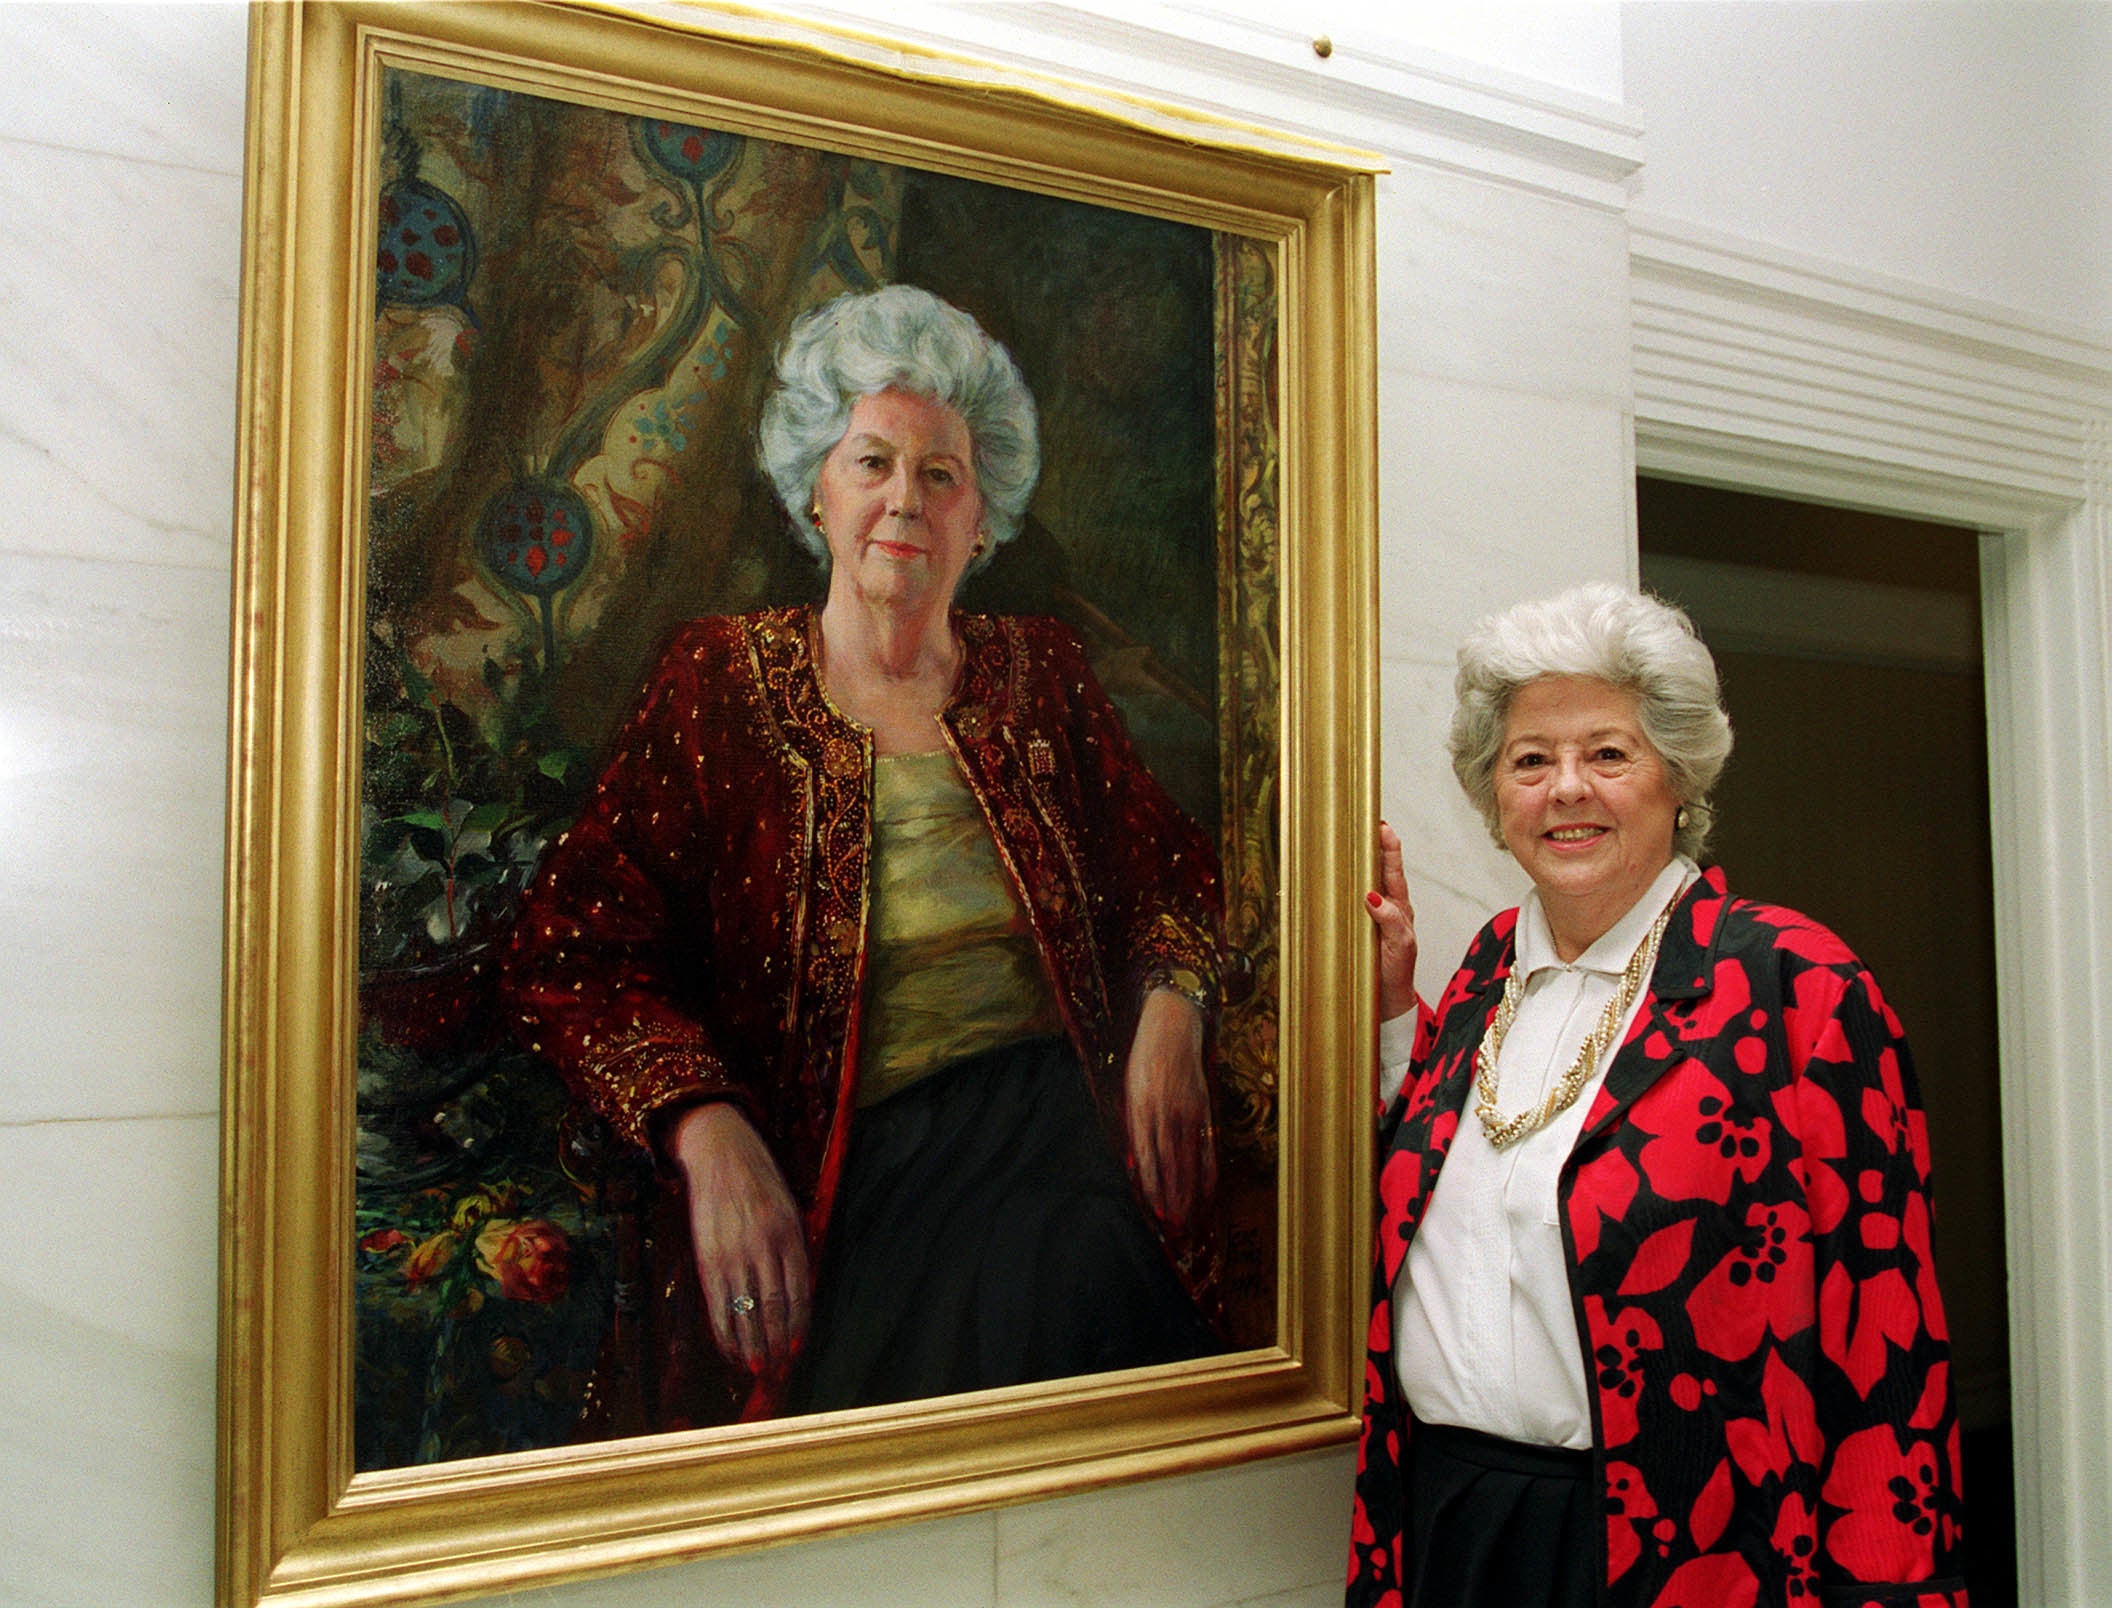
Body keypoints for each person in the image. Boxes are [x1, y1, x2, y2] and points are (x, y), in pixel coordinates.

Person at [503, 284, 1223, 1432]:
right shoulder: (719, 682)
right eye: (872, 461)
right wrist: (705, 1124)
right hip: (848, 1159)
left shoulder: (1044, 673)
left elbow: (1174, 871)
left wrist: (1173, 1017)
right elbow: (573, 951)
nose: (905, 500)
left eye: (941, 473)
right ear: (814, 489)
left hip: (1055, 1126)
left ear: (985, 515)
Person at [1348, 583, 1965, 1607]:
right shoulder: (1486, 971)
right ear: (1493, 795)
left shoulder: (1797, 984)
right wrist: (1385, 1017)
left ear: (1678, 778)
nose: (1566, 789)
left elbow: (1886, 1341)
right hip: (1451, 1523)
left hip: (1688, 1547)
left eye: (1608, 753)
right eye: (1530, 760)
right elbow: (1424, 1207)